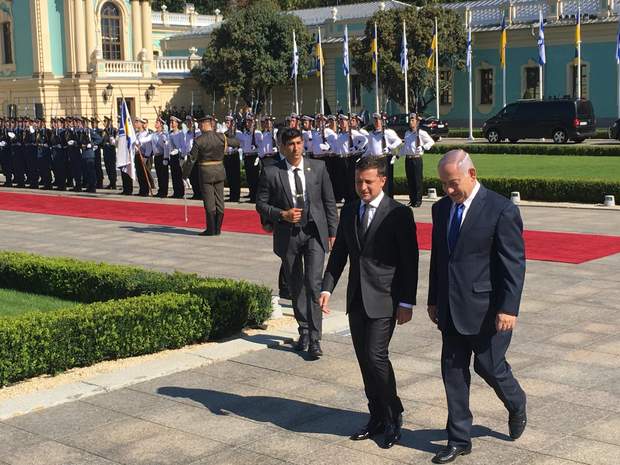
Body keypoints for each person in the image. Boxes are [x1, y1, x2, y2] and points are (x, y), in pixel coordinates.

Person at [428, 149, 527, 464]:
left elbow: (513, 264)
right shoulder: (441, 209)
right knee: (453, 372)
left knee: (489, 367)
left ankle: (516, 402)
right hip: (450, 307)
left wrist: (508, 308)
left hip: (487, 309)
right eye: (444, 184)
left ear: (471, 174)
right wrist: (433, 298)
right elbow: (439, 258)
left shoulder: (500, 209)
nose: (448, 190)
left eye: (453, 183)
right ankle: (459, 438)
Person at [319, 156, 418, 450]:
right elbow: (340, 254)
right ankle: (376, 416)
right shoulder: (350, 210)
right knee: (365, 361)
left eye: (368, 182)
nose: (362, 187)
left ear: (383, 181)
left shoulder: (399, 214)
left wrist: (407, 302)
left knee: (376, 357)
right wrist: (327, 288)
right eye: (358, 181)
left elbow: (409, 261)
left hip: (385, 299)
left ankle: (393, 415)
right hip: (357, 299)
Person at [256, 127, 338, 358]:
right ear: (282, 147)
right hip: (288, 234)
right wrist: (282, 215)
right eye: (291, 144)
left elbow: (329, 201)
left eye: (299, 143)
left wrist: (333, 231)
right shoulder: (272, 172)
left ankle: (315, 338)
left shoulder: (318, 168)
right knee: (296, 285)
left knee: (313, 283)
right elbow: (261, 204)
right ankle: (304, 331)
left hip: (314, 232)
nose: (296, 148)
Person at [190, 115, 240, 236]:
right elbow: (236, 143)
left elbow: (191, 159)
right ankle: (218, 229)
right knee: (219, 200)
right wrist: (230, 135)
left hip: (205, 172)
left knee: (209, 201)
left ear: (204, 124)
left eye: (200, 124)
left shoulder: (199, 140)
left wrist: (185, 173)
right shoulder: (221, 137)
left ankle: (211, 229)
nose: (199, 127)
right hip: (219, 171)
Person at [363, 113, 402, 198]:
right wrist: (363, 157)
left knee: (386, 181)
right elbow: (370, 148)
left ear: (383, 121)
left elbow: (398, 141)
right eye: (375, 121)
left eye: (379, 120)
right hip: (374, 160)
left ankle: (388, 198)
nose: (377, 122)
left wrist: (389, 148)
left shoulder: (388, 132)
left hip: (385, 158)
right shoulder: (371, 134)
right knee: (376, 179)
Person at [402, 113, 435, 207]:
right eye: (410, 120)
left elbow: (431, 142)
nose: (410, 122)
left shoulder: (421, 133)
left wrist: (423, 147)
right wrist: (397, 155)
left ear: (417, 122)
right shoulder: (407, 133)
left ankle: (418, 200)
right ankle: (412, 199)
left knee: (417, 180)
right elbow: (405, 147)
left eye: (413, 120)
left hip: (416, 159)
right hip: (408, 158)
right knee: (410, 180)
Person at [223, 115, 242, 202]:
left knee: (235, 177)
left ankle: (236, 196)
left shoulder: (238, 133)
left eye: (229, 122)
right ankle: (232, 195)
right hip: (227, 156)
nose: (227, 124)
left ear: (233, 123)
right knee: (229, 176)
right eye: (226, 122)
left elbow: (241, 144)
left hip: (234, 155)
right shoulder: (225, 133)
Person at [102, 117, 117, 190]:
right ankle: (111, 182)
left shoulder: (113, 130)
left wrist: (113, 139)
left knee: (112, 168)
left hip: (111, 152)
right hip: (105, 152)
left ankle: (113, 183)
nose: (104, 123)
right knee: (107, 168)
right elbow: (102, 140)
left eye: (105, 121)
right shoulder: (104, 131)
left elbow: (116, 140)